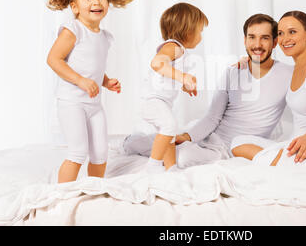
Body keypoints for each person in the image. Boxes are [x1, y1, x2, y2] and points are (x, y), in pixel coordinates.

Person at [118, 13, 293, 168]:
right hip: (207, 135)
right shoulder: (233, 72)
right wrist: (187, 136)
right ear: (245, 40)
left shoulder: (288, 74)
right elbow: (212, 117)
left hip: (228, 147)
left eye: (264, 38)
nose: (257, 44)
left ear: (275, 42)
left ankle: (147, 148)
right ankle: (132, 142)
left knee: (183, 158)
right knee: (145, 143)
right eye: (252, 37)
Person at [46, 0, 135, 183]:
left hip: (94, 105)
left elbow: (92, 67)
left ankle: (94, 189)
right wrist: (80, 81)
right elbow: (54, 60)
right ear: (74, 6)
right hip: (72, 103)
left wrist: (105, 81)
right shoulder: (73, 30)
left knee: (101, 153)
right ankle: (64, 195)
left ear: (108, 2)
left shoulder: (103, 37)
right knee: (78, 152)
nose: (96, 2)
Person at [230, 10, 306, 166]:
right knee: (238, 142)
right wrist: (248, 61)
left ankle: (282, 163)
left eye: (292, 32)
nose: (285, 39)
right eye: (281, 33)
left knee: (246, 148)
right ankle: (280, 161)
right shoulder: (294, 70)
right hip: (295, 142)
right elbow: (270, 69)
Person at [141, 2, 208, 173]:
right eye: (200, 31)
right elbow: (157, 63)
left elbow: (170, 76)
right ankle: (152, 166)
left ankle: (171, 168)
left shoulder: (181, 51)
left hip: (162, 102)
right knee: (169, 126)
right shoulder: (172, 46)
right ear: (188, 30)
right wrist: (183, 77)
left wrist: (185, 84)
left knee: (169, 133)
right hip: (153, 101)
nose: (201, 36)